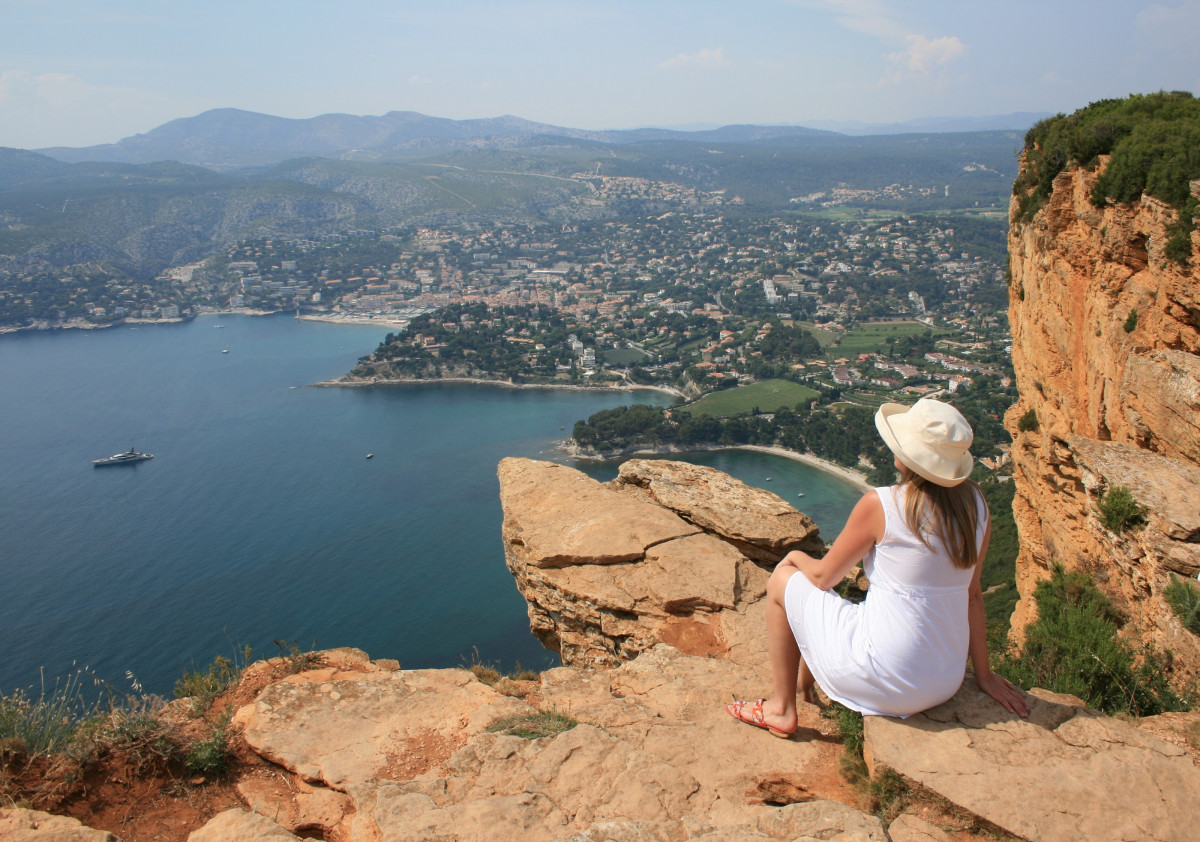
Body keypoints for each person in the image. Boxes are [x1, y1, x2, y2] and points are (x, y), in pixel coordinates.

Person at [726, 398, 1028, 738]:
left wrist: (795, 558)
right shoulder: (977, 507)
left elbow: (825, 578)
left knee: (784, 579)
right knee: (852, 611)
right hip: (945, 681)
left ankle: (781, 710)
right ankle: (803, 685)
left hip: (883, 678)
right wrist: (984, 676)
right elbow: (972, 596)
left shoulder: (882, 504)